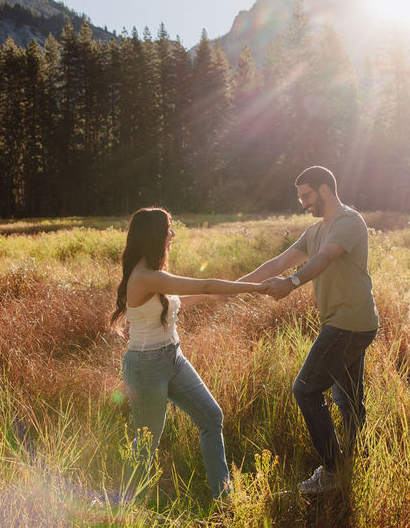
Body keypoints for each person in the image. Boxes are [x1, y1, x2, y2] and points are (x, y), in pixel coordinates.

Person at [240, 166, 379, 494]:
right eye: (301, 197)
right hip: (349, 323)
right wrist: (229, 287)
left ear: (324, 189)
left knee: (305, 390)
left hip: (349, 323)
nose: (303, 202)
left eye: (307, 195)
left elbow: (326, 258)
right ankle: (355, 462)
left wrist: (292, 283)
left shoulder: (348, 221)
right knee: (347, 399)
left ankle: (332, 472)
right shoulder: (315, 230)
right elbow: (276, 263)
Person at [111, 206, 267, 499]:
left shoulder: (155, 274)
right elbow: (205, 282)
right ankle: (127, 507)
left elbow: (174, 301)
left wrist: (210, 295)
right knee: (147, 444)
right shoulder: (145, 276)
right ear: (153, 235)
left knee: (211, 417)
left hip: (173, 358)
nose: (173, 234)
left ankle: (223, 497)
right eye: (168, 228)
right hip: (146, 367)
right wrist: (260, 288)